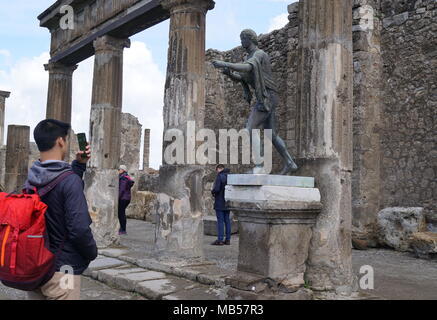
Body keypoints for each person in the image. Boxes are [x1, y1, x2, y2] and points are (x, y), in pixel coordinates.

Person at [25, 119, 98, 300]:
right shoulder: (69, 181)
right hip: (64, 270)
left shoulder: (31, 178)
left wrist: (79, 165)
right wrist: (91, 252)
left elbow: (56, 187)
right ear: (60, 141)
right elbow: (79, 229)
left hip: (35, 266)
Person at [212, 29, 298, 175]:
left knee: (249, 129)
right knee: (272, 134)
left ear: (249, 39)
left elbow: (247, 68)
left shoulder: (259, 54)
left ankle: (260, 166)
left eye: (242, 38)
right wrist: (230, 73)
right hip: (268, 97)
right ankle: (290, 163)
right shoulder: (250, 56)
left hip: (267, 97)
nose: (241, 41)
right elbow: (243, 77)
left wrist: (224, 63)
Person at [211, 164, 231, 246]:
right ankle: (228, 240)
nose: (217, 172)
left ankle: (220, 240)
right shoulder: (230, 176)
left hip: (220, 201)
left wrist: (212, 192)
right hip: (227, 202)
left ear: (219, 169)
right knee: (227, 221)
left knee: (220, 221)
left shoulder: (220, 176)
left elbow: (216, 189)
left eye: (217, 170)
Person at [118, 165, 134, 235]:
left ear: (123, 170)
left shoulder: (123, 178)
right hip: (126, 198)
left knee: (121, 214)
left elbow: (122, 189)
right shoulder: (126, 177)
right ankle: (122, 228)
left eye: (119, 169)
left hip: (123, 198)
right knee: (121, 213)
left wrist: (117, 198)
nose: (118, 171)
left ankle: (123, 229)